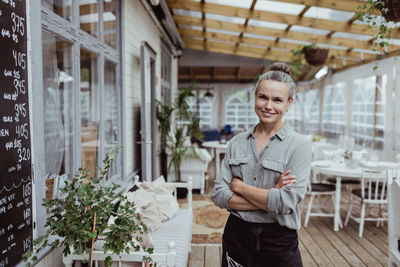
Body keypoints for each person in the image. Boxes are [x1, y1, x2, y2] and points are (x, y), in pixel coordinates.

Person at [211, 62, 312, 267]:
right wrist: (271, 194)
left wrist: (240, 187)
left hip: (278, 241)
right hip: (236, 235)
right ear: (255, 96)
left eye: (277, 100)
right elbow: (219, 195)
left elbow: (286, 203)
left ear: (289, 102)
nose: (268, 106)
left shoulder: (299, 146)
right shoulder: (236, 143)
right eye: (263, 97)